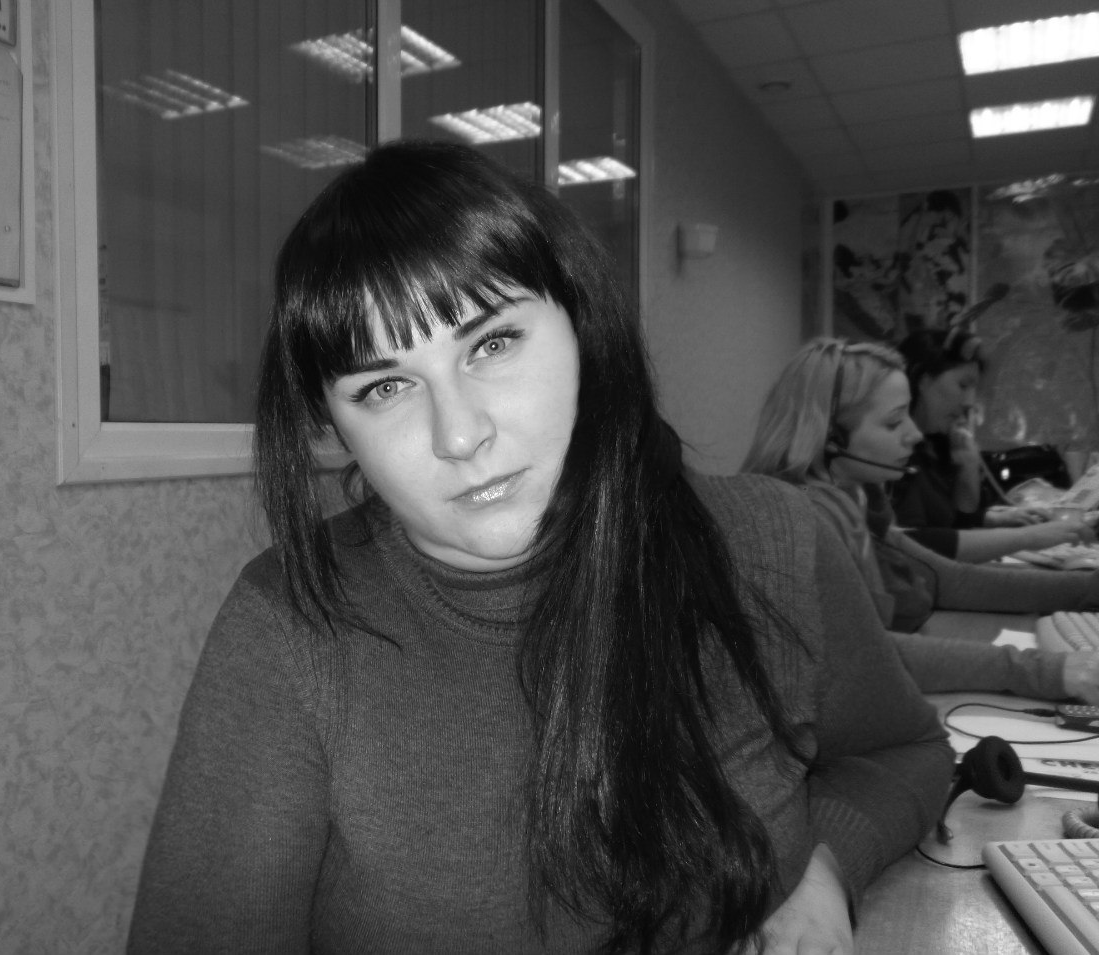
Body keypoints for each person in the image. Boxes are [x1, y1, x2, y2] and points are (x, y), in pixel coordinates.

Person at [126, 141, 952, 955]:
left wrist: (825, 869)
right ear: (334, 427)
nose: (459, 434)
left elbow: (902, 749)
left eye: (491, 344)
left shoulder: (769, 539)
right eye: (385, 386)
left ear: (582, 327)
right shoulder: (287, 624)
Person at [743, 336, 1099, 703]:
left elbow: (948, 579)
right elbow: (859, 653)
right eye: (894, 422)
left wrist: (1088, 589)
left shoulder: (855, 501)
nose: (913, 434)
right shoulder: (797, 522)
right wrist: (1050, 671)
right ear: (831, 437)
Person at [891, 327, 1092, 562]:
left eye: (974, 389)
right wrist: (1029, 537)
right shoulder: (897, 453)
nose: (969, 401)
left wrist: (970, 474)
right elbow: (912, 543)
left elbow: (957, 522)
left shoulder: (933, 446)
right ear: (923, 381)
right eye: (963, 385)